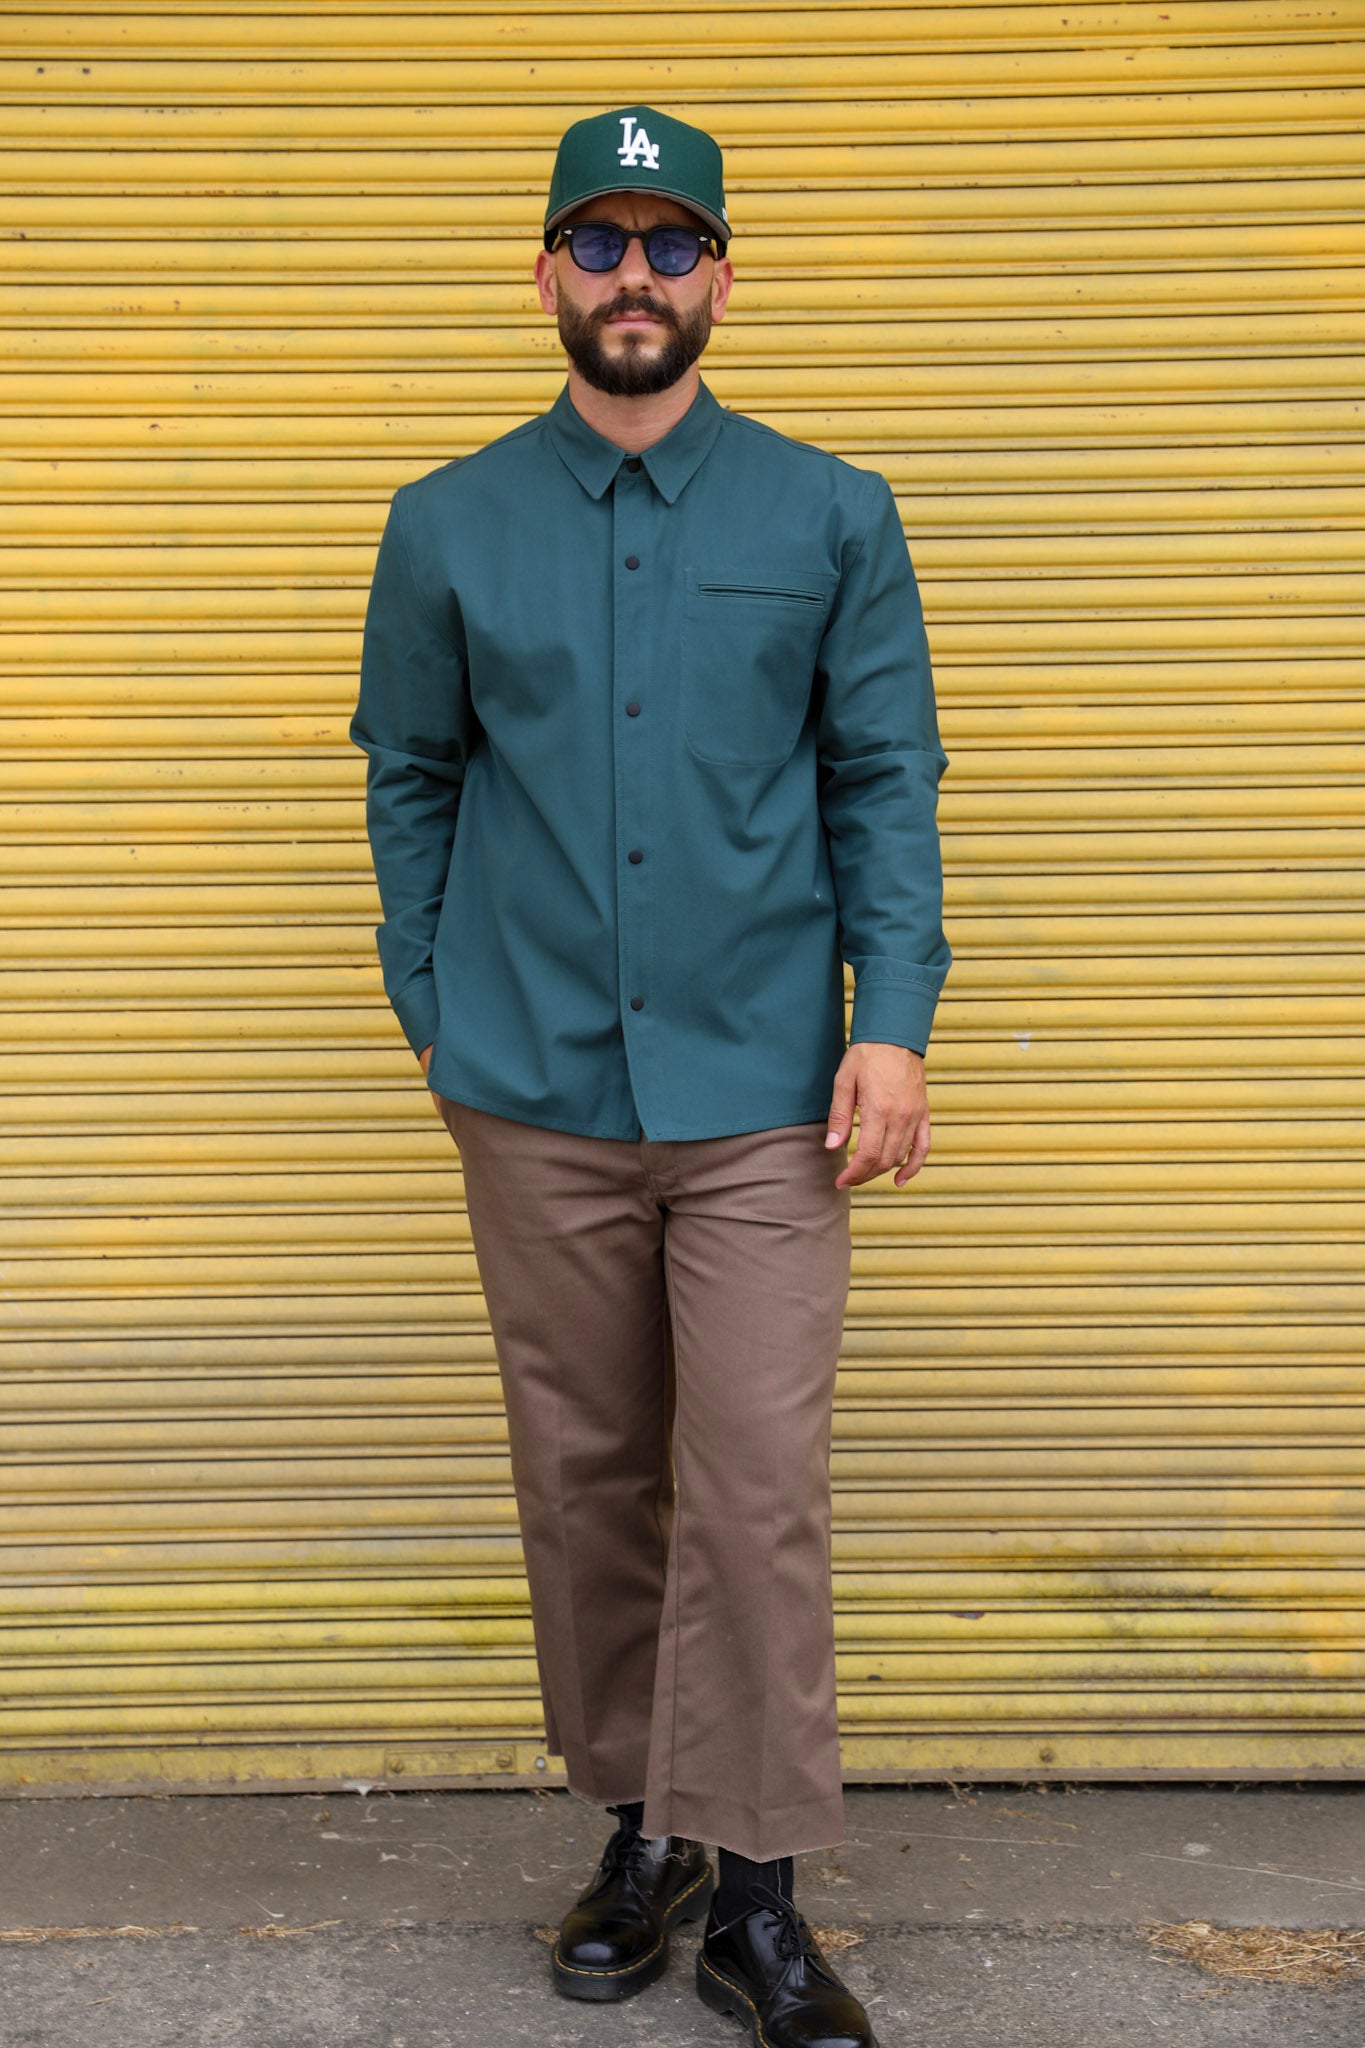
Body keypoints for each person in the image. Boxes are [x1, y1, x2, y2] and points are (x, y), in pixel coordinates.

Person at [350, 101, 950, 2048]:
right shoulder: (448, 523)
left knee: (752, 1481)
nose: (634, 277)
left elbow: (882, 777)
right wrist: (430, 1000)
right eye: (600, 243)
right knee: (587, 1478)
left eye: (669, 244)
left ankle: (757, 1897)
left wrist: (889, 1017)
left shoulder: (828, 513)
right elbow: (411, 771)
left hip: (766, 1088)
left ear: (719, 280)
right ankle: (643, 1835)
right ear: (545, 274)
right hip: (531, 1089)